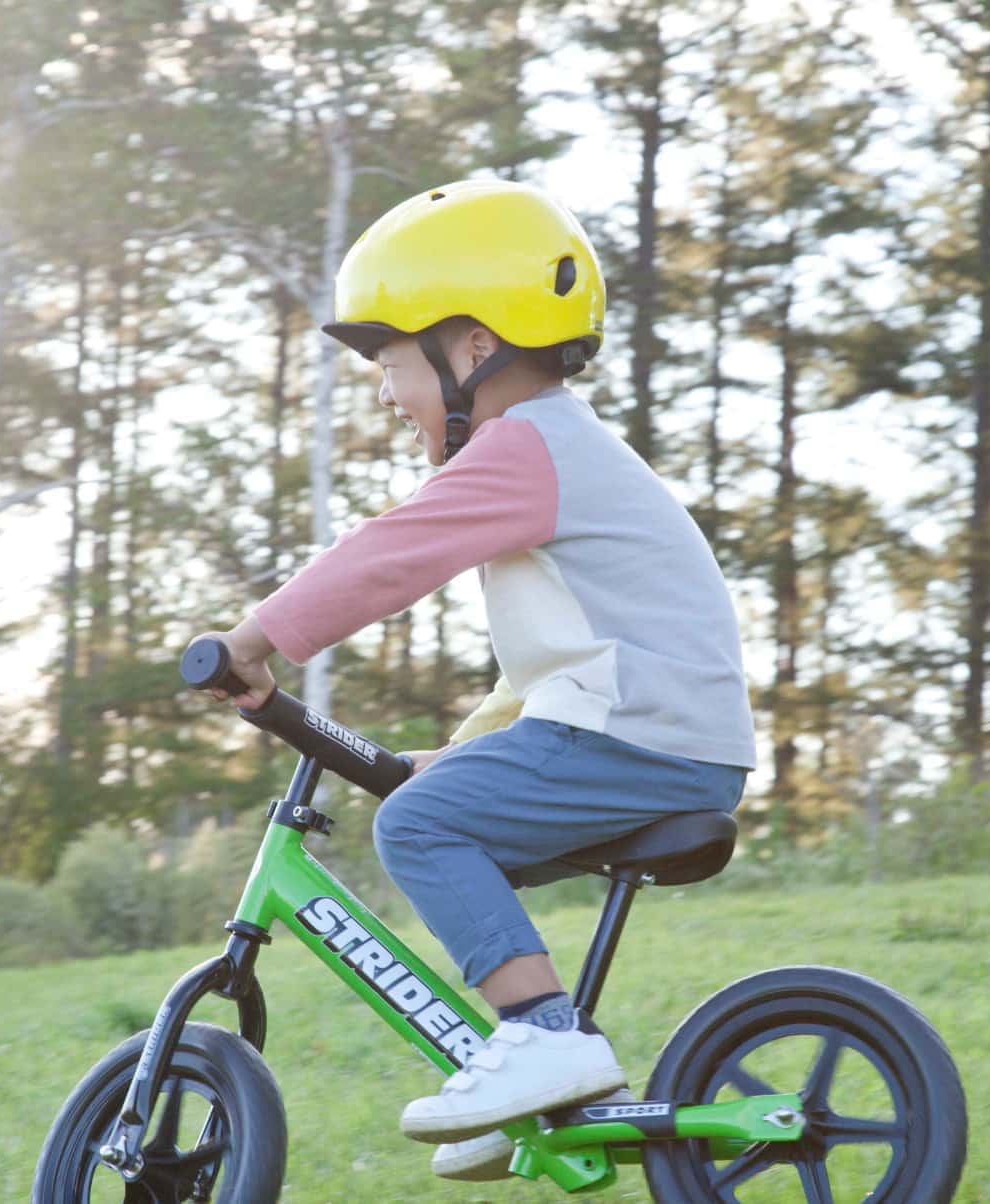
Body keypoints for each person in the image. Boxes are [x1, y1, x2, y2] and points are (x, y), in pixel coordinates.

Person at [198, 179, 756, 1181]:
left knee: (420, 826)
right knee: (441, 801)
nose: (385, 393)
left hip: (638, 737)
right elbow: (544, 667)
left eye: (391, 364)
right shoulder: (556, 452)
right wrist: (457, 755)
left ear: (473, 347)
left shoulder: (527, 444)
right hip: (652, 734)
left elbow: (390, 554)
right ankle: (550, 1080)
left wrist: (256, 637)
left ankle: (542, 1035)